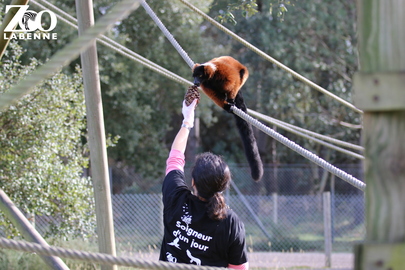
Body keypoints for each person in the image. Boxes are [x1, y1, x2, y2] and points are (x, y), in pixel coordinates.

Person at [159, 98, 249, 269]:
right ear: (223, 186)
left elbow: (175, 158)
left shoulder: (176, 198)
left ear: (193, 182)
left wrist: (187, 121)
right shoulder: (231, 222)